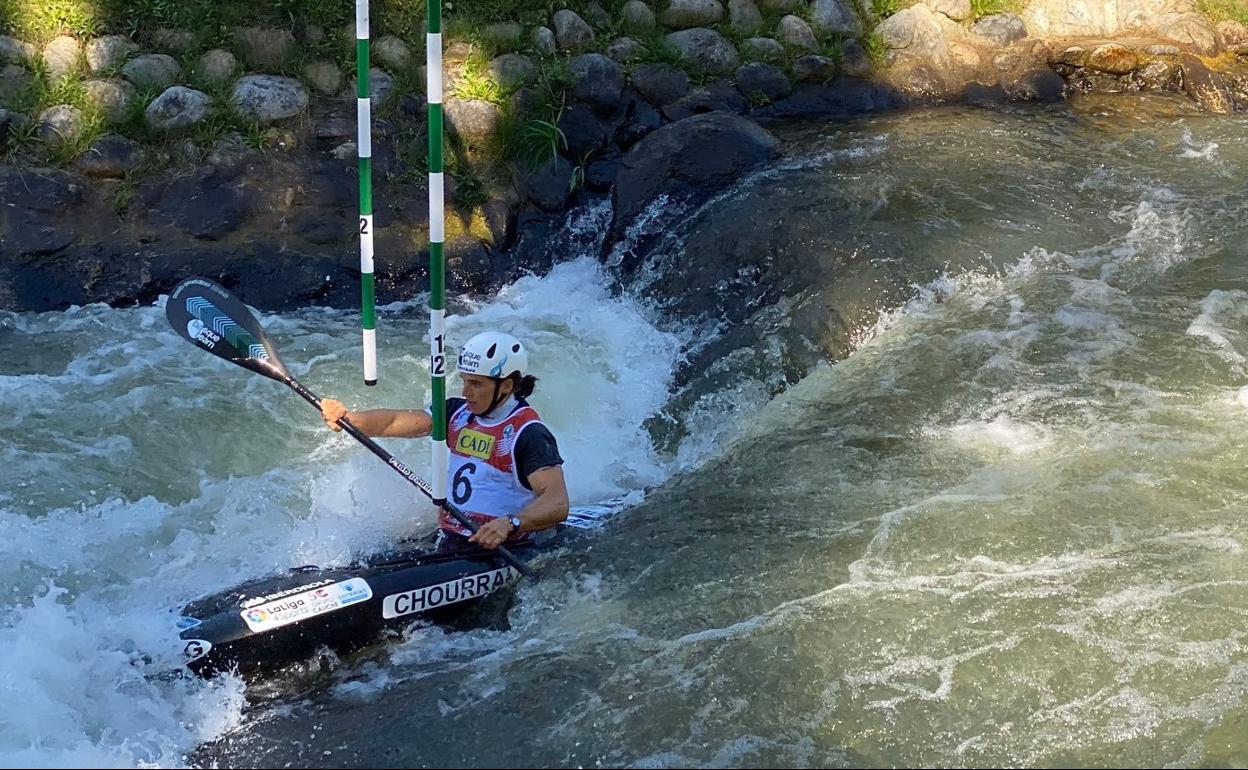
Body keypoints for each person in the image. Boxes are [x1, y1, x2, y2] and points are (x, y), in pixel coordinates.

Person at [320, 331, 569, 551]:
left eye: (476, 384)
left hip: (501, 547)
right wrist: (349, 419)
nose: (465, 392)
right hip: (452, 536)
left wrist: (511, 523)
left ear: (505, 385)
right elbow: (393, 421)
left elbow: (557, 502)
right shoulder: (456, 413)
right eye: (464, 381)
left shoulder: (528, 433)